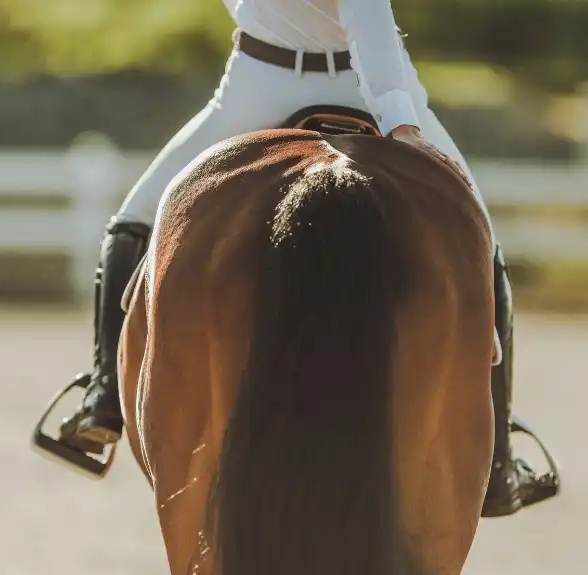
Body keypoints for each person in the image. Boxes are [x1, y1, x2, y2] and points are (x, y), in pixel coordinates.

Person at [58, 0, 557, 517]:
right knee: (480, 237)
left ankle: (106, 399)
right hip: (351, 82)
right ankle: (498, 460)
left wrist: (397, 116)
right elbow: (368, 17)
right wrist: (399, 119)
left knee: (133, 223)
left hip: (262, 86)